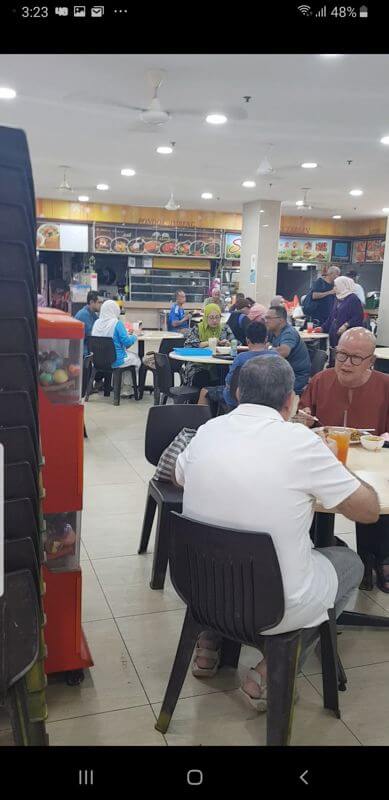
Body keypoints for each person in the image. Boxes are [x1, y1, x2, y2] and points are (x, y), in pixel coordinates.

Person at [175, 356, 377, 708]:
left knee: (231, 535)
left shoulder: (209, 429)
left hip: (201, 589)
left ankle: (210, 640)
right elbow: (368, 510)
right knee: (349, 561)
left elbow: (180, 476)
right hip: (271, 604)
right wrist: (331, 465)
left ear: (237, 392)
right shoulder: (300, 442)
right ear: (290, 401)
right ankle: (270, 673)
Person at [300, 326, 389, 592]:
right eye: (341, 355)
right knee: (306, 496)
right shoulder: (321, 379)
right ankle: (323, 550)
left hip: (372, 460)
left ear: (371, 361)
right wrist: (303, 417)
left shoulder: (385, 385)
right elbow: (305, 416)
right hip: (326, 460)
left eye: (355, 358)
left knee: (379, 498)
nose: (345, 363)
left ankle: (377, 557)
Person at [197, 320, 280, 411]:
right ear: (266, 338)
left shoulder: (241, 358)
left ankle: (201, 424)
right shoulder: (276, 357)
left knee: (205, 391)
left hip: (238, 401)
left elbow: (230, 383)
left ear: (247, 340)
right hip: (269, 401)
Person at [91, 299, 140, 396]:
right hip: (115, 360)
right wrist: (135, 335)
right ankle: (126, 389)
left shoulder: (97, 323)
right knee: (136, 359)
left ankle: (119, 386)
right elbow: (127, 342)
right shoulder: (117, 323)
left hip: (98, 360)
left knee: (129, 357)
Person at [182, 303, 232, 389]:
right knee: (202, 377)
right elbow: (188, 345)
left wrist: (228, 344)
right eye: (211, 317)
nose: (215, 320)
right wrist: (209, 342)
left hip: (218, 364)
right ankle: (199, 401)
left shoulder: (224, 328)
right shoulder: (198, 328)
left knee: (225, 375)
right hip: (197, 365)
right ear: (205, 317)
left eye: (217, 317)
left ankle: (217, 401)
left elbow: (235, 343)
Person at [265, 305, 311, 395]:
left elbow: (284, 352)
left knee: (266, 390)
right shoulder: (272, 331)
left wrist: (269, 347)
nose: (266, 321)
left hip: (296, 377)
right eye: (265, 318)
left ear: (281, 320)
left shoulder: (289, 332)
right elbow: (264, 345)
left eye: (269, 318)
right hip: (282, 374)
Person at [322, 276, 364, 352]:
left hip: (347, 336)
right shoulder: (338, 298)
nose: (334, 288)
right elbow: (332, 316)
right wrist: (322, 328)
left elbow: (358, 316)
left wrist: (345, 325)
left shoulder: (353, 299)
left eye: (336, 286)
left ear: (343, 285)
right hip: (335, 335)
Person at [75, 290, 101, 356]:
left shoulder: (92, 313)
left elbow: (100, 324)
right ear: (91, 302)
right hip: (82, 351)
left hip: (87, 347)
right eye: (99, 302)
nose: (101, 305)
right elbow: (92, 334)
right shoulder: (84, 314)